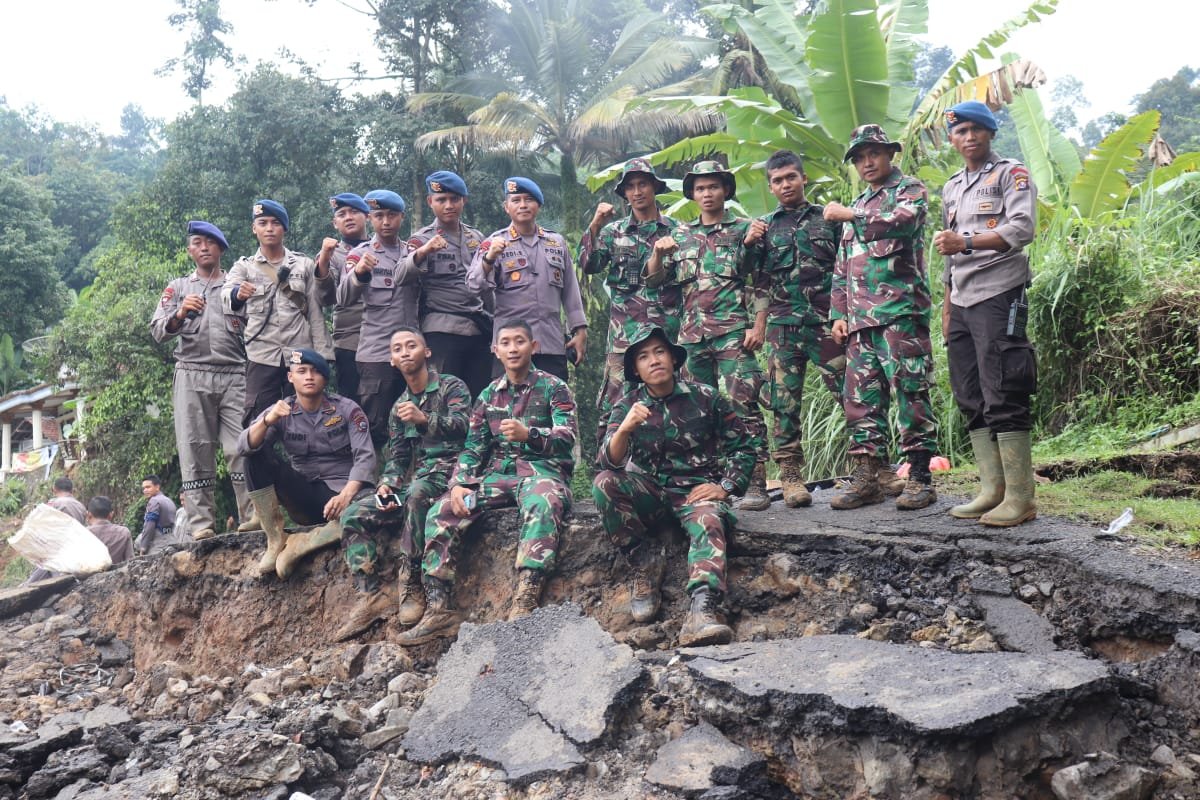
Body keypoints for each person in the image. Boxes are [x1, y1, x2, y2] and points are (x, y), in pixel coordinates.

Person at [399, 319, 577, 645]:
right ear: (495, 350)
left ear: (533, 347)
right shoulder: (488, 395)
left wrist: (531, 435)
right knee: (442, 510)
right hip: (497, 478)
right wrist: (458, 484)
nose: (512, 348)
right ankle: (439, 607)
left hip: (541, 472)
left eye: (519, 341)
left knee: (542, 501)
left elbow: (567, 437)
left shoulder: (554, 387)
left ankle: (526, 595)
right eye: (505, 342)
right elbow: (472, 448)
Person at [592, 325, 758, 647]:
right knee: (604, 484)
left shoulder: (706, 398)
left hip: (696, 491)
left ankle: (701, 611)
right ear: (636, 370)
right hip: (650, 493)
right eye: (643, 356)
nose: (653, 360)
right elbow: (607, 462)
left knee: (709, 520)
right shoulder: (627, 404)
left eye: (659, 352)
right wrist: (624, 428)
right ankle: (644, 564)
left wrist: (725, 486)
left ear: (672, 358)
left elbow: (743, 447)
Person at [934, 101, 1039, 527]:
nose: (969, 137)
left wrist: (969, 242)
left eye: (977, 129)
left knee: (1003, 390)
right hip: (961, 300)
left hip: (999, 292)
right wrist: (946, 308)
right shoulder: (952, 186)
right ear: (953, 139)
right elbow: (947, 252)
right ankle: (992, 489)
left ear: (990, 133)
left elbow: (1022, 228)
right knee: (969, 394)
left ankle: (1021, 497)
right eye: (961, 132)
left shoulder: (1009, 173)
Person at [644, 160, 771, 510]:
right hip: (691, 338)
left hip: (732, 332)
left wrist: (758, 325)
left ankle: (756, 482)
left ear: (725, 190)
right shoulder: (681, 235)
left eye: (713, 186)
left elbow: (761, 280)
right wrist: (657, 253)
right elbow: (654, 280)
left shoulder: (746, 229)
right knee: (696, 410)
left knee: (742, 402)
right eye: (700, 188)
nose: (707, 193)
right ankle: (710, 481)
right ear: (693, 194)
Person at [825, 124, 938, 511]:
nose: (866, 162)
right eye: (859, 157)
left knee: (911, 392)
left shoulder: (909, 190)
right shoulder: (858, 203)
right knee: (860, 400)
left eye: (872, 153)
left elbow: (903, 222)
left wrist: (852, 214)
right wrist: (838, 313)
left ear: (889, 154)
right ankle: (868, 476)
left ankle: (920, 477)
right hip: (860, 322)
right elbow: (842, 267)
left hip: (900, 314)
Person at [335, 328, 472, 641]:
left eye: (412, 346)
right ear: (392, 361)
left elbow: (469, 430)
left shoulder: (452, 387)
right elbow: (396, 458)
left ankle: (411, 580)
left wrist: (425, 419)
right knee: (356, 513)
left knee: (416, 493)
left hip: (452, 477)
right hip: (414, 483)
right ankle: (370, 595)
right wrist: (386, 484)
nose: (405, 352)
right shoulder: (399, 407)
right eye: (398, 349)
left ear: (426, 353)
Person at [751, 150, 848, 507]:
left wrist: (845, 314)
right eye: (777, 180)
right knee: (784, 403)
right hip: (782, 326)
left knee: (848, 393)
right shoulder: (763, 228)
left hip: (825, 323)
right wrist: (759, 323)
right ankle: (791, 477)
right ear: (771, 186)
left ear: (803, 178)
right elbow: (759, 281)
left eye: (791, 177)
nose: (785, 184)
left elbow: (846, 270)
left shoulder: (828, 219)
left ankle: (874, 468)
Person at [150, 220, 254, 539]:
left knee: (241, 446)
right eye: (197, 242)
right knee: (194, 448)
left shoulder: (237, 286)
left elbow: (260, 330)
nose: (204, 247)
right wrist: (180, 313)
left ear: (222, 248)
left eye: (210, 242)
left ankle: (252, 517)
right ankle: (201, 525)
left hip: (235, 373)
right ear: (189, 250)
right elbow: (157, 332)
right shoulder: (179, 287)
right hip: (191, 373)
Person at [237, 349, 377, 579]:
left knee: (376, 506)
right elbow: (243, 446)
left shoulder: (347, 409)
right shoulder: (281, 410)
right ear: (291, 377)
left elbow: (365, 457)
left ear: (325, 377)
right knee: (255, 455)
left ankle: (306, 543)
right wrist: (267, 420)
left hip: (342, 494)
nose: (309, 377)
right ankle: (275, 538)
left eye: (315, 372)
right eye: (301, 371)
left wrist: (346, 496)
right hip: (303, 493)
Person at [579, 157, 683, 444]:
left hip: (667, 333)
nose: (637, 192)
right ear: (624, 193)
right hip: (624, 335)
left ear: (654, 187)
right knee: (614, 403)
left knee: (677, 402)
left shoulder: (679, 231)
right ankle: (609, 469)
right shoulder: (614, 233)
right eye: (631, 187)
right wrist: (596, 225)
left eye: (643, 184)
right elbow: (588, 265)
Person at [225, 199, 335, 426]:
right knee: (257, 424)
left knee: (306, 423)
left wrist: (323, 356)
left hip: (300, 358)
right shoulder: (244, 267)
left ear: (284, 228)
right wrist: (237, 294)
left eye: (275, 223)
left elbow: (315, 312)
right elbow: (225, 296)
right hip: (261, 357)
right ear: (254, 228)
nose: (269, 228)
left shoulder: (303, 265)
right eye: (262, 223)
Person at [468, 178, 587, 382]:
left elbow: (570, 290)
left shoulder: (556, 242)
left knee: (555, 404)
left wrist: (580, 330)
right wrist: (489, 258)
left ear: (538, 205)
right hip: (510, 348)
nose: (523, 205)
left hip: (550, 342)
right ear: (507, 207)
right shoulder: (494, 242)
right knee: (506, 407)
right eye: (516, 200)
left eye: (529, 199)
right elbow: (473, 286)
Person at [338, 189, 418, 446]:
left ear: (402, 217)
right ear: (370, 218)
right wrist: (359, 274)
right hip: (376, 354)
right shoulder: (359, 254)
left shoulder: (413, 253)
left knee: (414, 426)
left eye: (392, 215)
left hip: (412, 353)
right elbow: (343, 297)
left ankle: (409, 483)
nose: (386, 222)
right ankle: (371, 484)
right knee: (375, 427)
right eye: (379, 216)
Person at [406, 171, 492, 397]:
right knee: (443, 399)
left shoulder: (477, 237)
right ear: (430, 202)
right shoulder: (421, 239)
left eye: (454, 199)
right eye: (441, 200)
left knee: (478, 399)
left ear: (464, 200)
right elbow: (401, 277)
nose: (448, 205)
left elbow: (486, 288)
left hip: (478, 328)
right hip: (442, 328)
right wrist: (424, 252)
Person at [319, 193, 372, 405]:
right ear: (335, 223)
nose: (348, 217)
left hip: (387, 337)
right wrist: (324, 258)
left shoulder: (383, 247)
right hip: (351, 339)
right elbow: (325, 296)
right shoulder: (332, 253)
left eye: (354, 212)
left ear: (367, 217)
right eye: (342, 214)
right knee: (351, 404)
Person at [136, 475, 179, 554]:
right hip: (172, 540)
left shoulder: (154, 501)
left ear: (157, 487)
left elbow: (149, 526)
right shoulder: (169, 500)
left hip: (158, 544)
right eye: (144, 488)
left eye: (148, 487)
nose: (145, 490)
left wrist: (143, 547)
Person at [86, 496, 134, 565]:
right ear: (111, 515)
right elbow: (130, 561)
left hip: (88, 575)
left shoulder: (82, 533)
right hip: (117, 574)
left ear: (89, 515)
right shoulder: (124, 532)